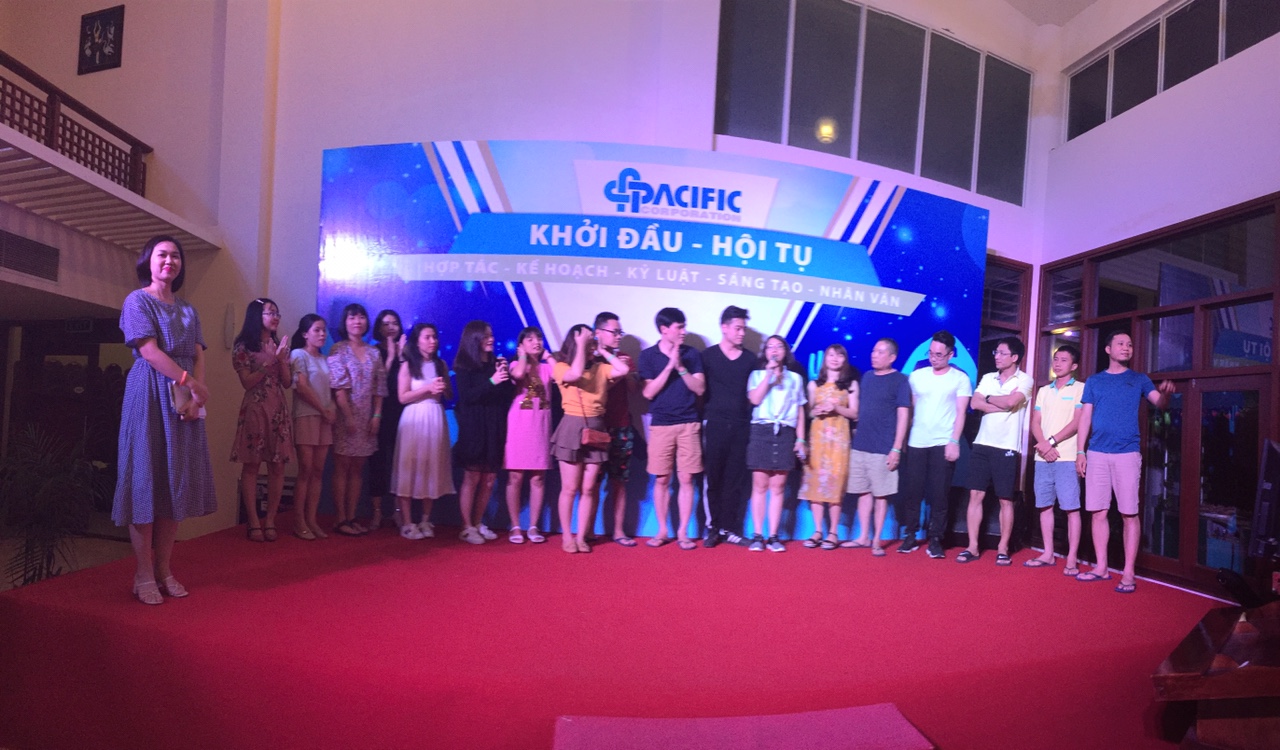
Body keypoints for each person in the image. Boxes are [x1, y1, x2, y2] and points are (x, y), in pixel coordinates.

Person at [112, 235, 216, 604]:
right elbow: (150, 352)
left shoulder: (188, 308)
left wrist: (196, 392)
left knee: (175, 481)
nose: (169, 260)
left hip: (183, 394)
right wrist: (191, 383)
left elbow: (198, 353)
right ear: (149, 261)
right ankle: (143, 573)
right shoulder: (137, 300)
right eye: (162, 255)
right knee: (146, 479)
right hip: (149, 392)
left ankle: (164, 570)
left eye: (175, 255)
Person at [1075, 330, 1175, 593]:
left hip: (1127, 453)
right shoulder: (1094, 381)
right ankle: (1101, 567)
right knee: (1098, 512)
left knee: (1129, 513)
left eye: (1129, 344)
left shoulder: (1139, 379)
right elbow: (1085, 418)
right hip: (1097, 453)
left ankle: (1129, 572)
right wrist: (1080, 452)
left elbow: (1160, 404)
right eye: (1120, 343)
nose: (1126, 347)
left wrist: (1166, 394)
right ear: (1108, 349)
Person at [550, 323, 629, 553]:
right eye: (587, 342)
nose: (590, 345)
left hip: (596, 427)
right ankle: (567, 536)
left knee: (588, 488)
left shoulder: (600, 368)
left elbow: (623, 370)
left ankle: (581, 536)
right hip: (571, 426)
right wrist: (581, 344)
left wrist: (602, 350)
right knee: (569, 488)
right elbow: (574, 374)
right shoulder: (561, 366)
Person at [960, 337, 1034, 565]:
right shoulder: (988, 377)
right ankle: (972, 546)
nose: (997, 356)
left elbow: (1012, 402)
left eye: (1002, 353)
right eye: (996, 352)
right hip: (982, 443)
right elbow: (974, 403)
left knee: (1005, 499)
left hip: (1007, 447)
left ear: (1015, 357)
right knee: (975, 495)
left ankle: (1003, 548)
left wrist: (989, 399)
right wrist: (999, 403)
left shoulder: (1025, 380)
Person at [899, 330, 972, 558]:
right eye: (931, 353)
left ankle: (936, 539)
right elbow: (910, 410)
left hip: (943, 441)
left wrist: (954, 441)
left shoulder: (960, 379)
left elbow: (961, 413)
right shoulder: (917, 376)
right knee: (913, 491)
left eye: (939, 354)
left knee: (940, 494)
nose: (933, 358)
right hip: (917, 441)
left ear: (950, 354)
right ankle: (910, 535)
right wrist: (903, 439)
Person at [638, 307, 705, 550]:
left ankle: (683, 532)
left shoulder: (692, 354)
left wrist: (681, 367)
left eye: (685, 326)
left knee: (687, 478)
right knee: (662, 479)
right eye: (679, 327)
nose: (684, 331)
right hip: (661, 424)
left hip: (688, 422)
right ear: (664, 329)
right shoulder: (648, 356)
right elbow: (648, 392)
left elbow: (699, 389)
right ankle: (662, 530)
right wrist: (669, 366)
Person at [229, 298, 296, 542]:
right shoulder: (243, 346)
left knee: (277, 466)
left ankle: (270, 520)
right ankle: (254, 521)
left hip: (277, 408)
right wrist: (271, 361)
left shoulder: (278, 345)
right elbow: (247, 382)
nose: (275, 317)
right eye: (270, 313)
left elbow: (286, 383)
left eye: (277, 313)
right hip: (255, 408)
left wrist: (282, 361)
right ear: (257, 315)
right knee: (252, 465)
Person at [842, 338, 911, 556]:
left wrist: (896, 448)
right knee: (863, 491)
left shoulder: (900, 380)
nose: (874, 355)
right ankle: (863, 536)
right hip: (861, 444)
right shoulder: (867, 377)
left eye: (880, 352)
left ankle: (877, 540)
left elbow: (903, 415)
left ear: (892, 357)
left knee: (881, 495)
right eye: (873, 351)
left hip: (884, 447)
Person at [700, 305, 758, 548]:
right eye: (737, 328)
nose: (742, 333)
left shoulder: (750, 359)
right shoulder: (707, 356)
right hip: (714, 423)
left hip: (741, 425)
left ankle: (730, 529)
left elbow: (753, 395)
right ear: (724, 328)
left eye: (744, 329)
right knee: (713, 478)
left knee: (735, 480)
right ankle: (712, 528)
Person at [328, 303, 387, 536]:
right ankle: (340, 518)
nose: (357, 321)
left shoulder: (374, 352)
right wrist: (349, 418)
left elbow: (379, 388)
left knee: (357, 469)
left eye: (361, 317)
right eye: (352, 317)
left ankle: (351, 517)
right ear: (345, 322)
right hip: (345, 416)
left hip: (368, 418)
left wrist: (377, 415)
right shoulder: (338, 350)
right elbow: (338, 389)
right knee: (342, 466)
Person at [391, 323, 455, 539]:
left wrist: (443, 387)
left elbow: (449, 395)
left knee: (432, 466)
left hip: (435, 416)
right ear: (417, 341)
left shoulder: (441, 364)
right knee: (409, 467)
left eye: (434, 337)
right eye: (427, 337)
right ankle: (407, 522)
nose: (432, 341)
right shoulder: (408, 365)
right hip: (414, 417)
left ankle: (426, 520)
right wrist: (427, 388)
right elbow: (402, 397)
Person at [453, 320, 513, 544]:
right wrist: (492, 381)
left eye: (491, 335)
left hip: (494, 425)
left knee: (489, 478)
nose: (491, 339)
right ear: (474, 338)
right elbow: (467, 397)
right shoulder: (464, 365)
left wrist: (505, 377)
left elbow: (505, 396)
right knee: (472, 476)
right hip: (474, 426)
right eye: (486, 336)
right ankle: (466, 526)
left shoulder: (496, 363)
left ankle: (478, 523)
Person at [1026, 344, 1085, 574]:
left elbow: (1078, 422)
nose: (1058, 363)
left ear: (1074, 365)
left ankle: (1072, 557)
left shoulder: (1081, 388)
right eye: (1056, 359)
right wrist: (1043, 445)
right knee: (1044, 506)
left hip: (1067, 457)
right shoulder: (1044, 390)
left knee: (1071, 508)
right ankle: (1048, 553)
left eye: (1063, 360)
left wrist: (1050, 442)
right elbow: (1035, 421)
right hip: (1043, 457)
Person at [746, 335, 807, 552]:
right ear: (765, 352)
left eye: (779, 346)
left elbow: (800, 410)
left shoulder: (796, 378)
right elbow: (755, 399)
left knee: (778, 486)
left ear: (785, 351)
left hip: (785, 432)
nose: (774, 350)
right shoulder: (756, 375)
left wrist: (801, 439)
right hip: (761, 429)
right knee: (760, 485)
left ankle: (773, 536)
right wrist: (769, 376)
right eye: (770, 347)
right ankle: (757, 536)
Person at [798, 344, 858, 550]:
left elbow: (855, 413)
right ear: (825, 359)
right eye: (831, 355)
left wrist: (836, 408)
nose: (834, 359)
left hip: (839, 440)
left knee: (835, 484)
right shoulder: (814, 384)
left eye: (839, 355)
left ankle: (833, 532)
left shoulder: (850, 384)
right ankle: (817, 531)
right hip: (817, 439)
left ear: (844, 360)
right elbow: (807, 412)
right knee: (815, 483)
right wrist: (816, 411)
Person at [503, 327, 554, 544]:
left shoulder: (547, 368)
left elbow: (562, 376)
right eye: (530, 339)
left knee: (538, 478)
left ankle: (533, 526)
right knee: (515, 477)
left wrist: (548, 356)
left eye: (539, 338)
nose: (536, 342)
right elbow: (517, 375)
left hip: (540, 426)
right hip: (519, 426)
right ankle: (515, 526)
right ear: (521, 344)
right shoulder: (515, 364)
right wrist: (523, 355)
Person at [289, 313, 335, 541]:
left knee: (318, 471)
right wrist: (322, 409)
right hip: (307, 415)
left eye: (324, 330)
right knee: (305, 469)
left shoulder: (326, 359)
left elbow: (332, 390)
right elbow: (302, 387)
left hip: (324, 418)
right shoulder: (299, 354)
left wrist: (331, 410)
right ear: (305, 333)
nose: (322, 334)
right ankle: (299, 521)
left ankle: (311, 519)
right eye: (317, 330)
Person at [595, 312, 639, 547]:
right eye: (615, 332)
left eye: (620, 332)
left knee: (619, 482)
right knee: (590, 482)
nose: (618, 336)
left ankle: (619, 531)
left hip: (621, 427)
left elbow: (633, 388)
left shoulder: (625, 358)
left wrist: (625, 372)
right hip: (596, 427)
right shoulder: (589, 359)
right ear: (598, 333)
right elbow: (599, 387)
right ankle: (587, 530)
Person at [367, 309, 406, 532]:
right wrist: (390, 357)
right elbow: (376, 383)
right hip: (380, 412)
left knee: (400, 464)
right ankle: (376, 512)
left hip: (403, 414)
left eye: (394, 323)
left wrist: (401, 356)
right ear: (379, 328)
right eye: (385, 323)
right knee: (378, 464)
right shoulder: (373, 352)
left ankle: (398, 511)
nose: (391, 327)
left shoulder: (408, 351)